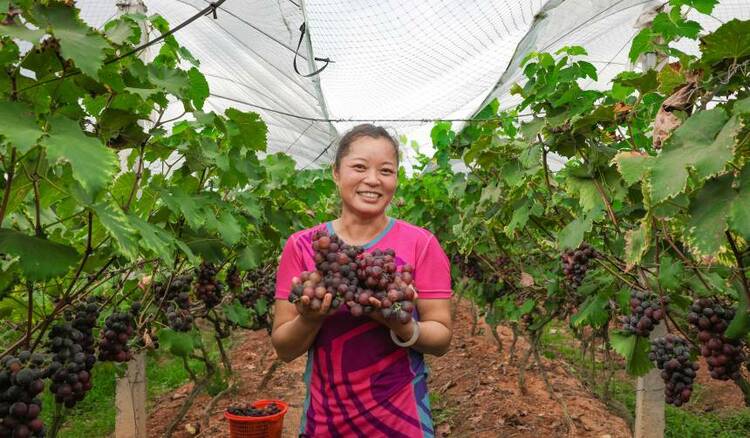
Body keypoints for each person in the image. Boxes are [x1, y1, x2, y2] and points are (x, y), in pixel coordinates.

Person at [272, 124, 453, 437]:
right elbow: (285, 348)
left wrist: (402, 325)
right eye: (359, 167)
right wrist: (310, 320)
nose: (373, 180)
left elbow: (441, 338)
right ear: (336, 173)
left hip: (402, 418)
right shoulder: (304, 246)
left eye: (386, 170)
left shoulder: (421, 243)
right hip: (326, 420)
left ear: (396, 178)